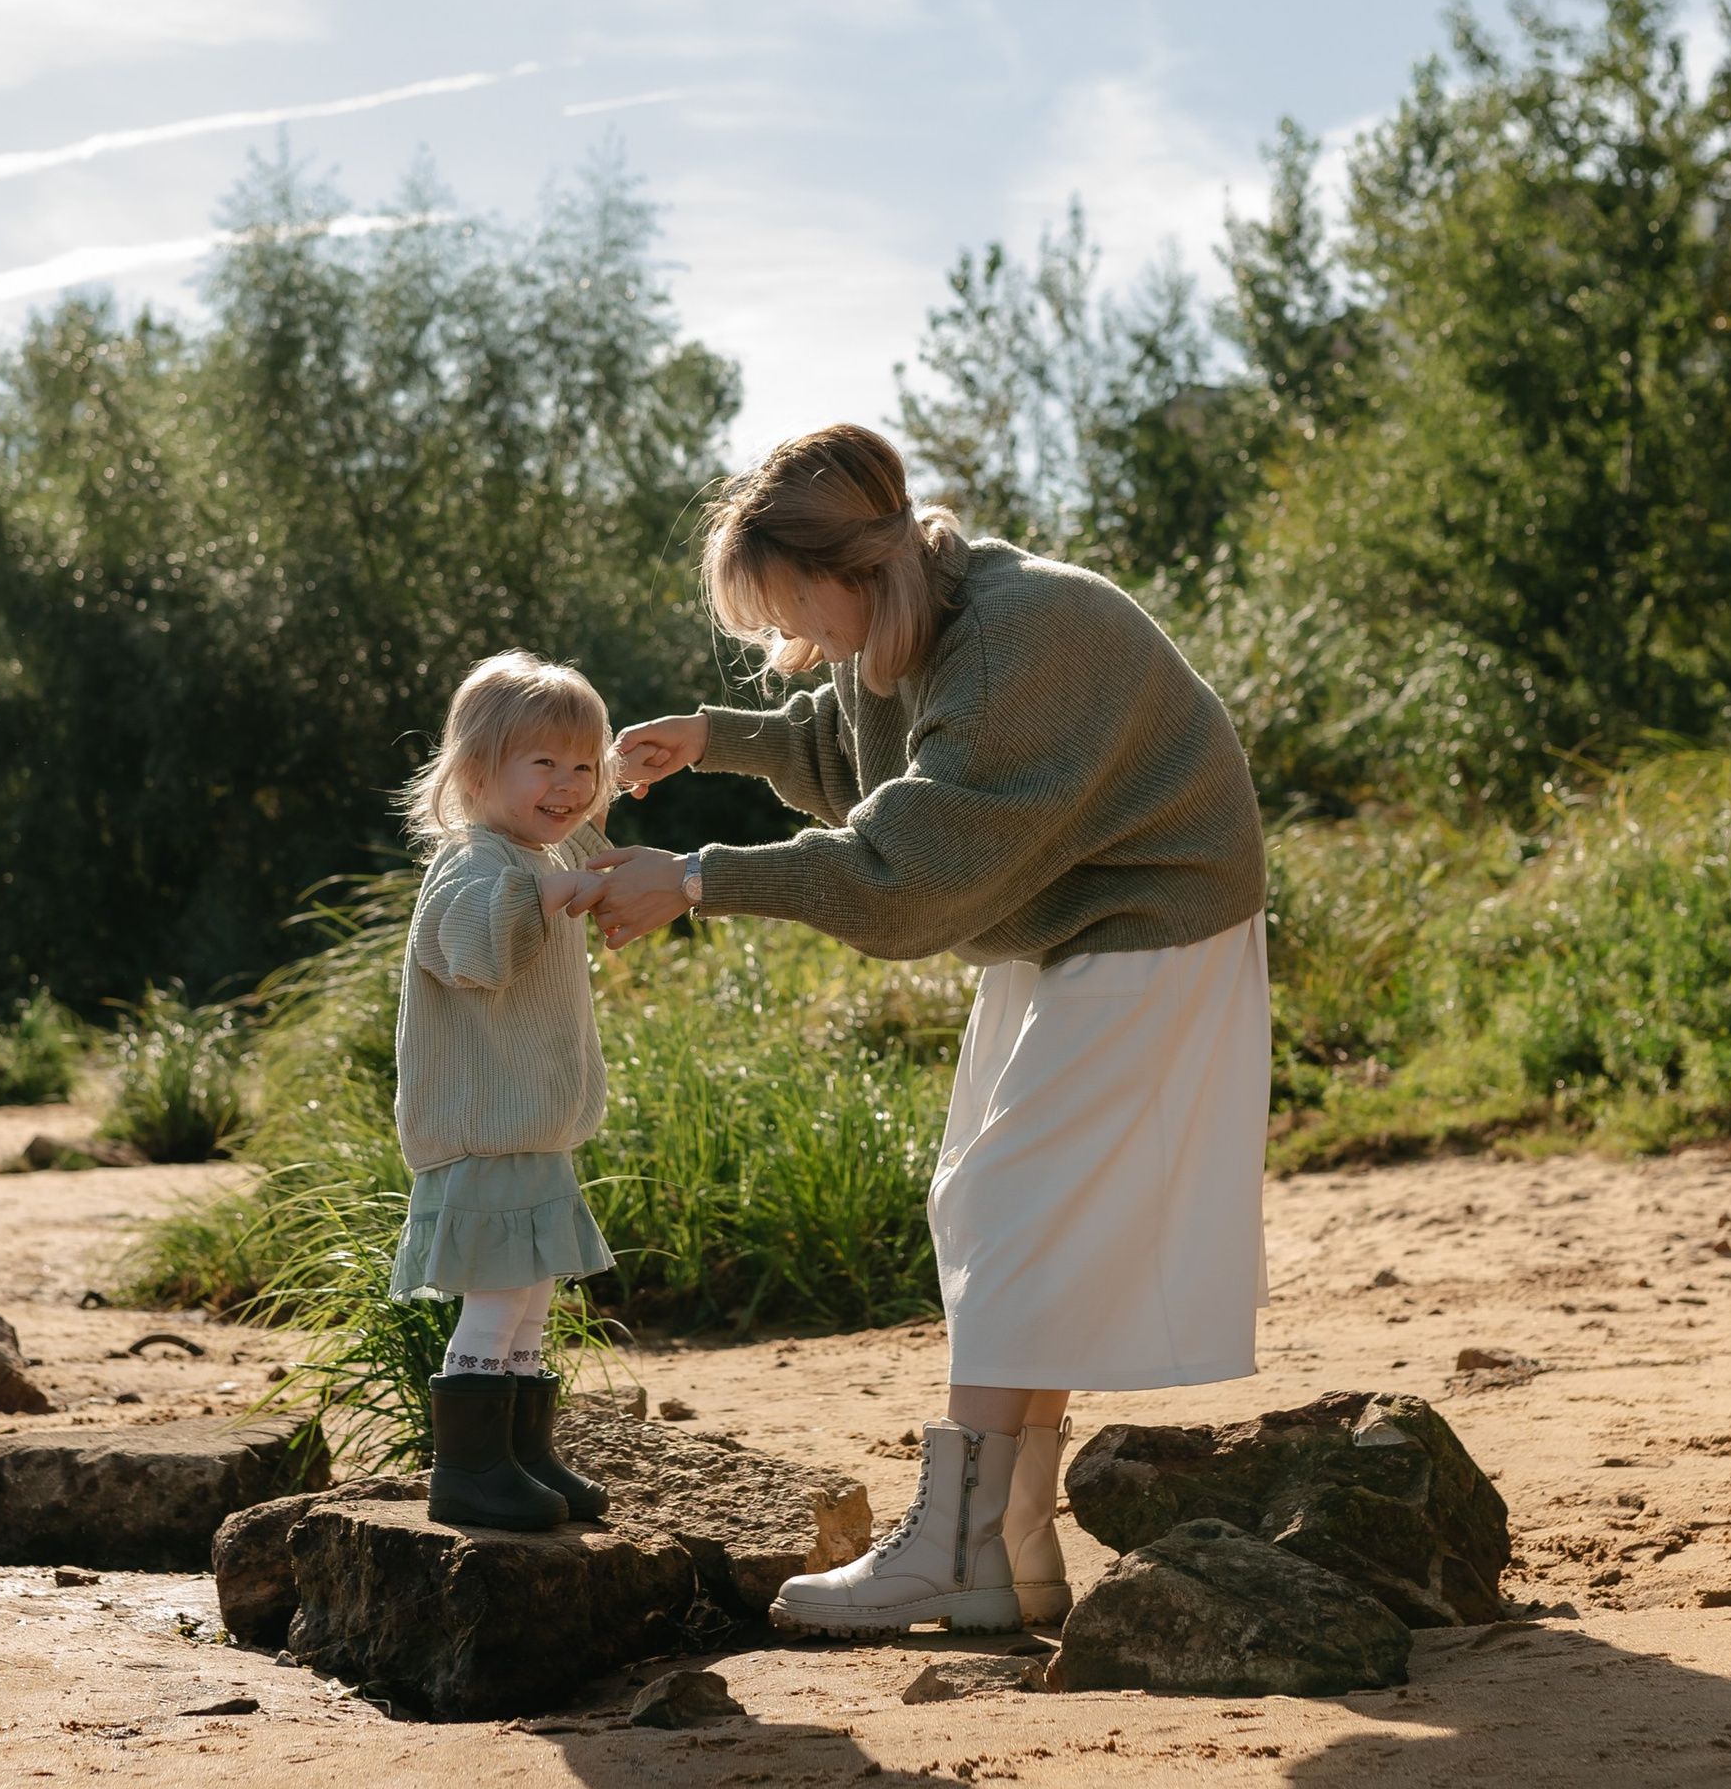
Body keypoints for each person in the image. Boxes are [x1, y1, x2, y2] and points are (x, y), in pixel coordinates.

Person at [600, 424, 1268, 1634]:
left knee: (1004, 1201)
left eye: (785, 606)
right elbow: (855, 759)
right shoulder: (919, 615)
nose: (785, 642)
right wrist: (711, 738)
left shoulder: (1024, 631)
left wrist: (694, 877)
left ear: (847, 570)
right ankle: (1010, 1548)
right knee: (1001, 1198)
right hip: (1065, 921)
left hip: (1156, 909)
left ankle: (956, 1543)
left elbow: (901, 868)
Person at [391, 652, 619, 1534]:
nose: (568, 785)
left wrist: (585, 867)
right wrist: (549, 889)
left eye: (583, 767)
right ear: (479, 772)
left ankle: (524, 1450)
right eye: (544, 764)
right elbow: (475, 950)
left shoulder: (535, 851)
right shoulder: (473, 865)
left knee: (531, 1293)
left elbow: (586, 860)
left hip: (533, 1132)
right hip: (483, 1135)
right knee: (495, 1293)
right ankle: (470, 1467)